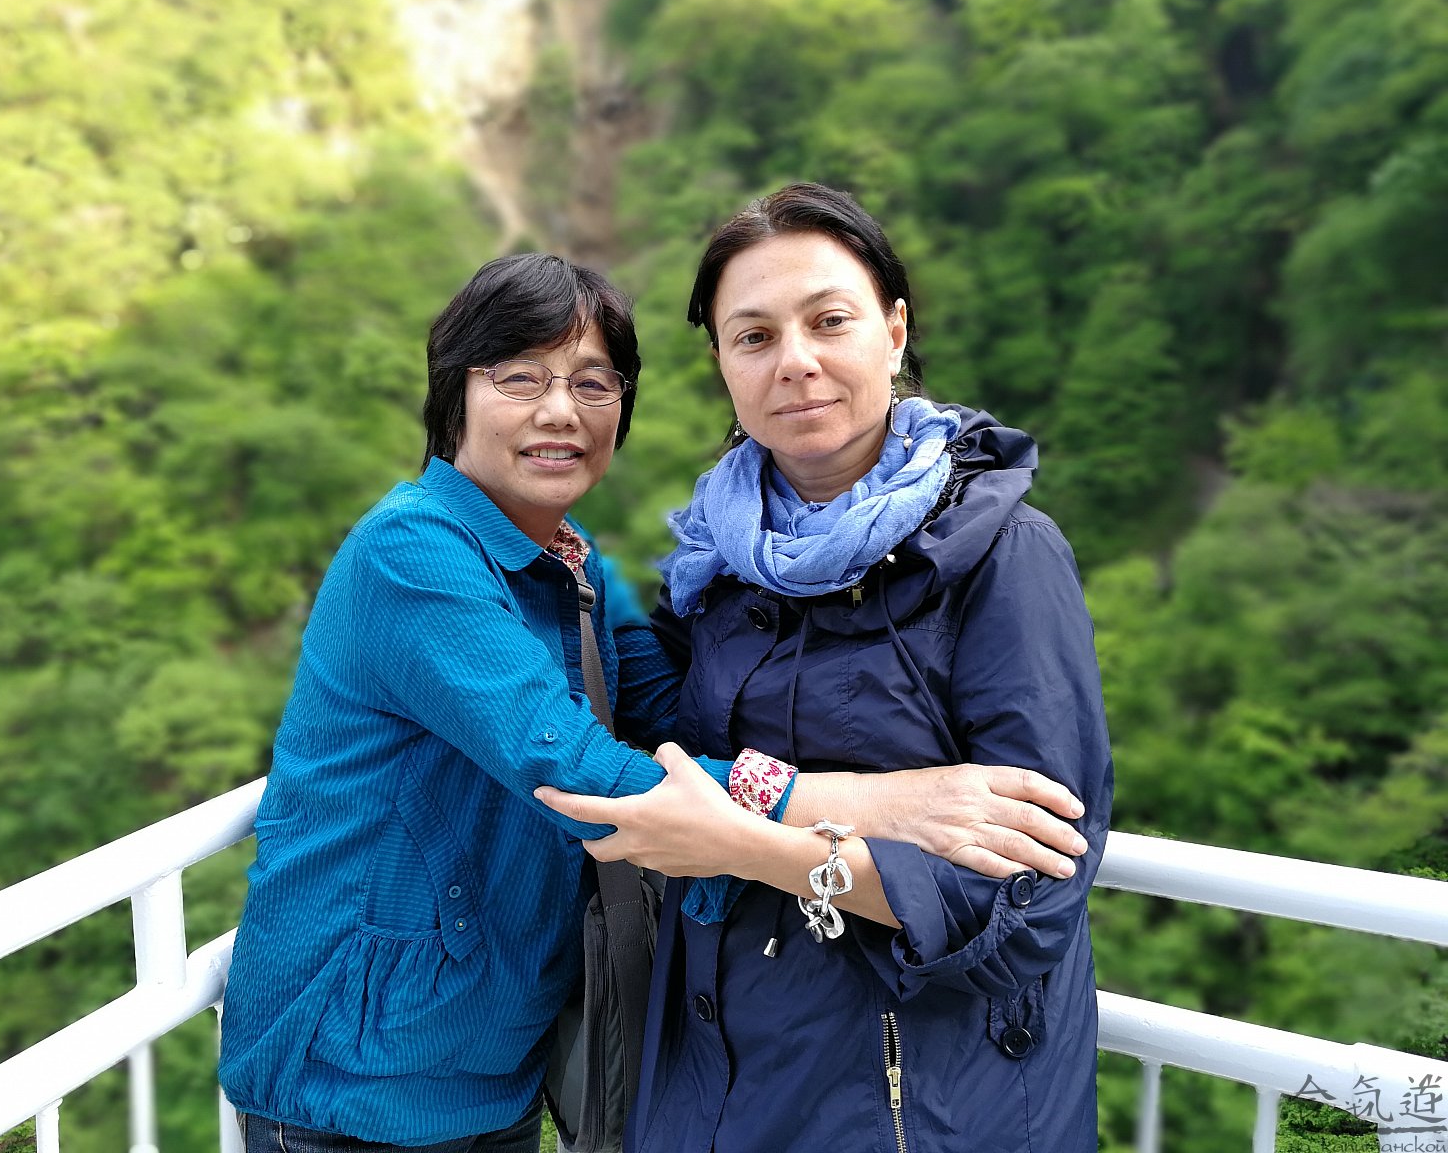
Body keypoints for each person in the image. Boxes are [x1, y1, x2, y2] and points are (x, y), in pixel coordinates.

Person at [217, 251, 1091, 1153]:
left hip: (491, 1063)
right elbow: (576, 769)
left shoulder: (575, 566)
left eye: (594, 383)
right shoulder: (411, 551)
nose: (561, 411)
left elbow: (677, 715)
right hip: (347, 1070)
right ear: (455, 394)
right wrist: (872, 805)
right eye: (520, 377)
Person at [537, 184, 1115, 1153]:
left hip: (915, 1110)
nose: (794, 361)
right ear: (723, 367)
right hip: (714, 1090)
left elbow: (1032, 893)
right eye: (754, 337)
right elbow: (645, 738)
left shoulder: (1001, 556)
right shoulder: (715, 564)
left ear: (894, 332)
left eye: (829, 321)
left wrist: (748, 846)